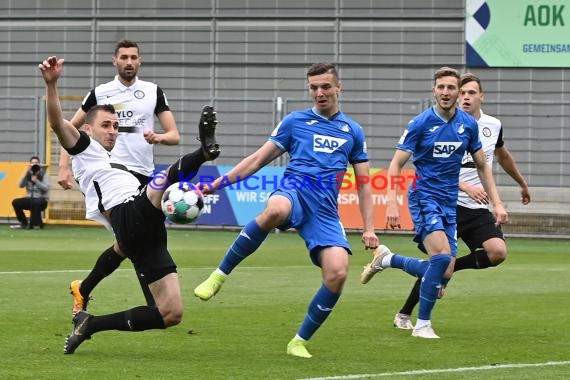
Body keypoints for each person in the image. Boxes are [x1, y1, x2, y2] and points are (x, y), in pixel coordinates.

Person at [193, 62, 379, 358]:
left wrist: (369, 228)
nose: (319, 93)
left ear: (338, 88)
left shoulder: (352, 131)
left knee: (338, 272)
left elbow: (365, 184)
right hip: (294, 192)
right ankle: (219, 275)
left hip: (325, 211)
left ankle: (298, 341)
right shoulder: (295, 121)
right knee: (276, 209)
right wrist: (216, 183)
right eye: (314, 87)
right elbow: (257, 160)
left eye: (325, 86)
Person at [39, 55, 220, 354]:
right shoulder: (86, 149)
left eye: (115, 125)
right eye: (105, 125)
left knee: (169, 313)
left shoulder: (117, 162)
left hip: (143, 227)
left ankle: (90, 325)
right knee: (160, 181)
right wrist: (52, 84)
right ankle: (204, 151)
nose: (112, 130)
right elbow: (58, 123)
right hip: (127, 214)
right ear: (89, 129)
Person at [359, 67, 508, 339]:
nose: (446, 92)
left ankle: (388, 259)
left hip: (449, 201)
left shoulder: (468, 125)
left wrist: (496, 203)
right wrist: (392, 202)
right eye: (441, 87)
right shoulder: (420, 124)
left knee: (444, 268)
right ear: (434, 90)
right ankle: (423, 325)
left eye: (451, 88)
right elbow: (395, 164)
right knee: (440, 259)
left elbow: (483, 165)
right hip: (424, 198)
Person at [392, 73, 531, 330]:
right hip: (448, 199)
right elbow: (434, 167)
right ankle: (406, 312)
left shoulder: (489, 126)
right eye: (462, 92)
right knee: (442, 265)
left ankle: (437, 271)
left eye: (470, 93)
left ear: (481, 96)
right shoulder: (430, 123)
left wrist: (514, 189)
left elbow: (499, 159)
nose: (464, 97)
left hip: (476, 207)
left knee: (497, 252)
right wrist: (464, 185)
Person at [58, 39, 181, 316]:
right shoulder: (100, 93)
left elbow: (174, 135)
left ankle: (84, 288)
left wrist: (158, 137)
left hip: (144, 175)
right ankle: (153, 303)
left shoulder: (152, 92)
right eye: (123, 57)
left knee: (128, 243)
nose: (129, 61)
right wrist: (64, 166)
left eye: (133, 57)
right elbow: (71, 128)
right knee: (136, 238)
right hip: (109, 175)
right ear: (114, 61)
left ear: (140, 61)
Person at [10, 156, 49, 229]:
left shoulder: (44, 174)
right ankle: (24, 222)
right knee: (16, 202)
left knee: (36, 202)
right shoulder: (28, 174)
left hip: (41, 199)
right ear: (30, 164)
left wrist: (36, 181)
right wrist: (26, 173)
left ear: (39, 164)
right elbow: (21, 185)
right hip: (29, 198)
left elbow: (46, 188)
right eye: (33, 163)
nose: (34, 165)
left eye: (36, 163)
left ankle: (36, 224)